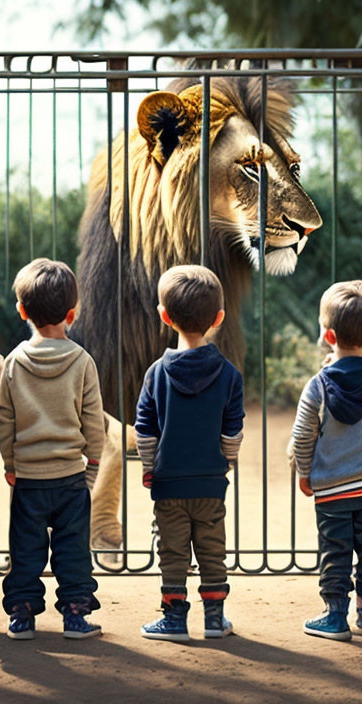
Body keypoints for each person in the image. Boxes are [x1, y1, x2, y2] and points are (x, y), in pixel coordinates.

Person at [0, 258, 105, 640]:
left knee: (25, 549)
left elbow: (3, 420)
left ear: (22, 311)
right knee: (73, 551)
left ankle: (22, 615)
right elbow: (94, 422)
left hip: (28, 478)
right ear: (72, 314)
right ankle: (75, 615)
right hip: (71, 477)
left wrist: (10, 463)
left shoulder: (13, 364)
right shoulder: (82, 362)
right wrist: (91, 467)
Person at [135, 265, 244, 642]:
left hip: (169, 483)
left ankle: (174, 619)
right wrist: (226, 461)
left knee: (173, 551)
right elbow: (233, 429)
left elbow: (145, 430)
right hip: (210, 482)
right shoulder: (230, 375)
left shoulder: (155, 374)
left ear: (164, 316)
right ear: (218, 319)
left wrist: (150, 469)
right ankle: (214, 618)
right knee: (213, 549)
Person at [290, 280, 362, 641]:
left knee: (334, 549)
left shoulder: (318, 386)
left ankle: (335, 615)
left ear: (328, 335)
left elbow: (303, 435)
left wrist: (305, 471)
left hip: (333, 489)